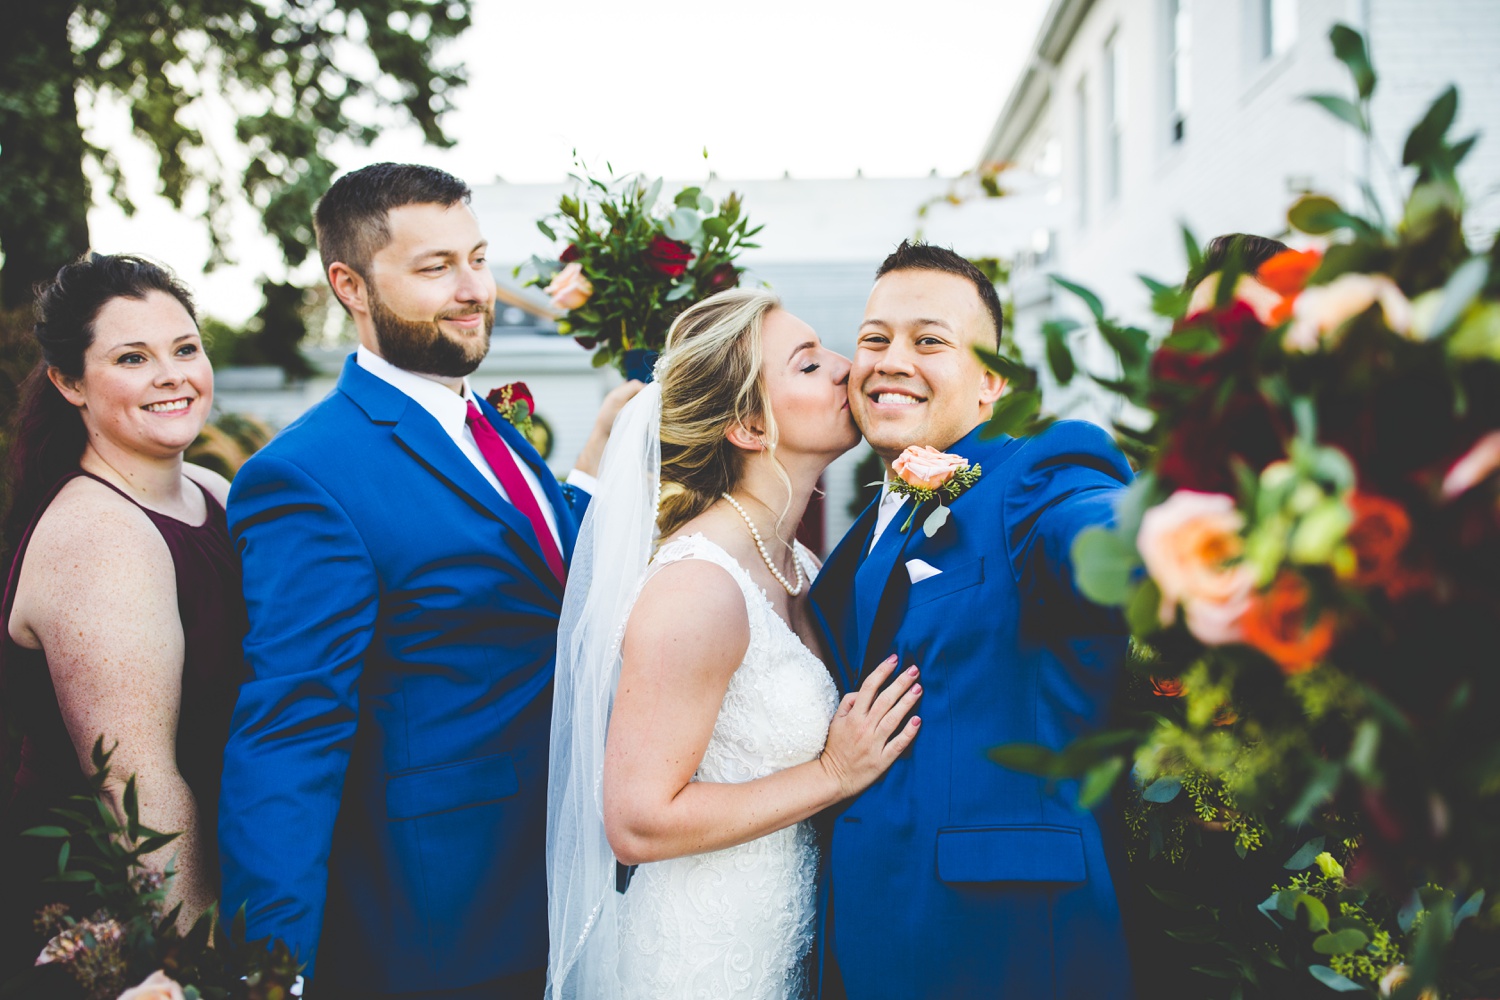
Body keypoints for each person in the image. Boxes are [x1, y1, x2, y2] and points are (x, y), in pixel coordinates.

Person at [218, 163, 636, 997]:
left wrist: (602, 464)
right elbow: (292, 729)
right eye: (435, 267)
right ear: (352, 285)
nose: (473, 289)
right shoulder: (306, 476)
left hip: (565, 881)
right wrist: (271, 973)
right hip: (437, 921)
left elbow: (538, 581)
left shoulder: (487, 427)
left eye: (477, 258)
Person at [547, 288, 922, 1000]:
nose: (849, 368)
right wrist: (833, 775)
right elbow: (637, 821)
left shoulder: (803, 568)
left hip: (785, 945)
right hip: (700, 963)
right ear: (749, 425)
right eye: (810, 365)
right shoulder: (699, 588)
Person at [809, 241, 1136, 998]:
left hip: (1008, 950)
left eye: (929, 341)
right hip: (868, 945)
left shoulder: (1035, 479)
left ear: (992, 382)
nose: (892, 359)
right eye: (874, 338)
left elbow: (1102, 532)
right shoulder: (860, 540)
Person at [1, 253, 242, 973]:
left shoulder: (212, 490)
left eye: (185, 349)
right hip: (120, 927)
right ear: (69, 382)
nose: (172, 375)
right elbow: (137, 787)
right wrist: (204, 970)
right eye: (133, 357)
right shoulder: (99, 535)